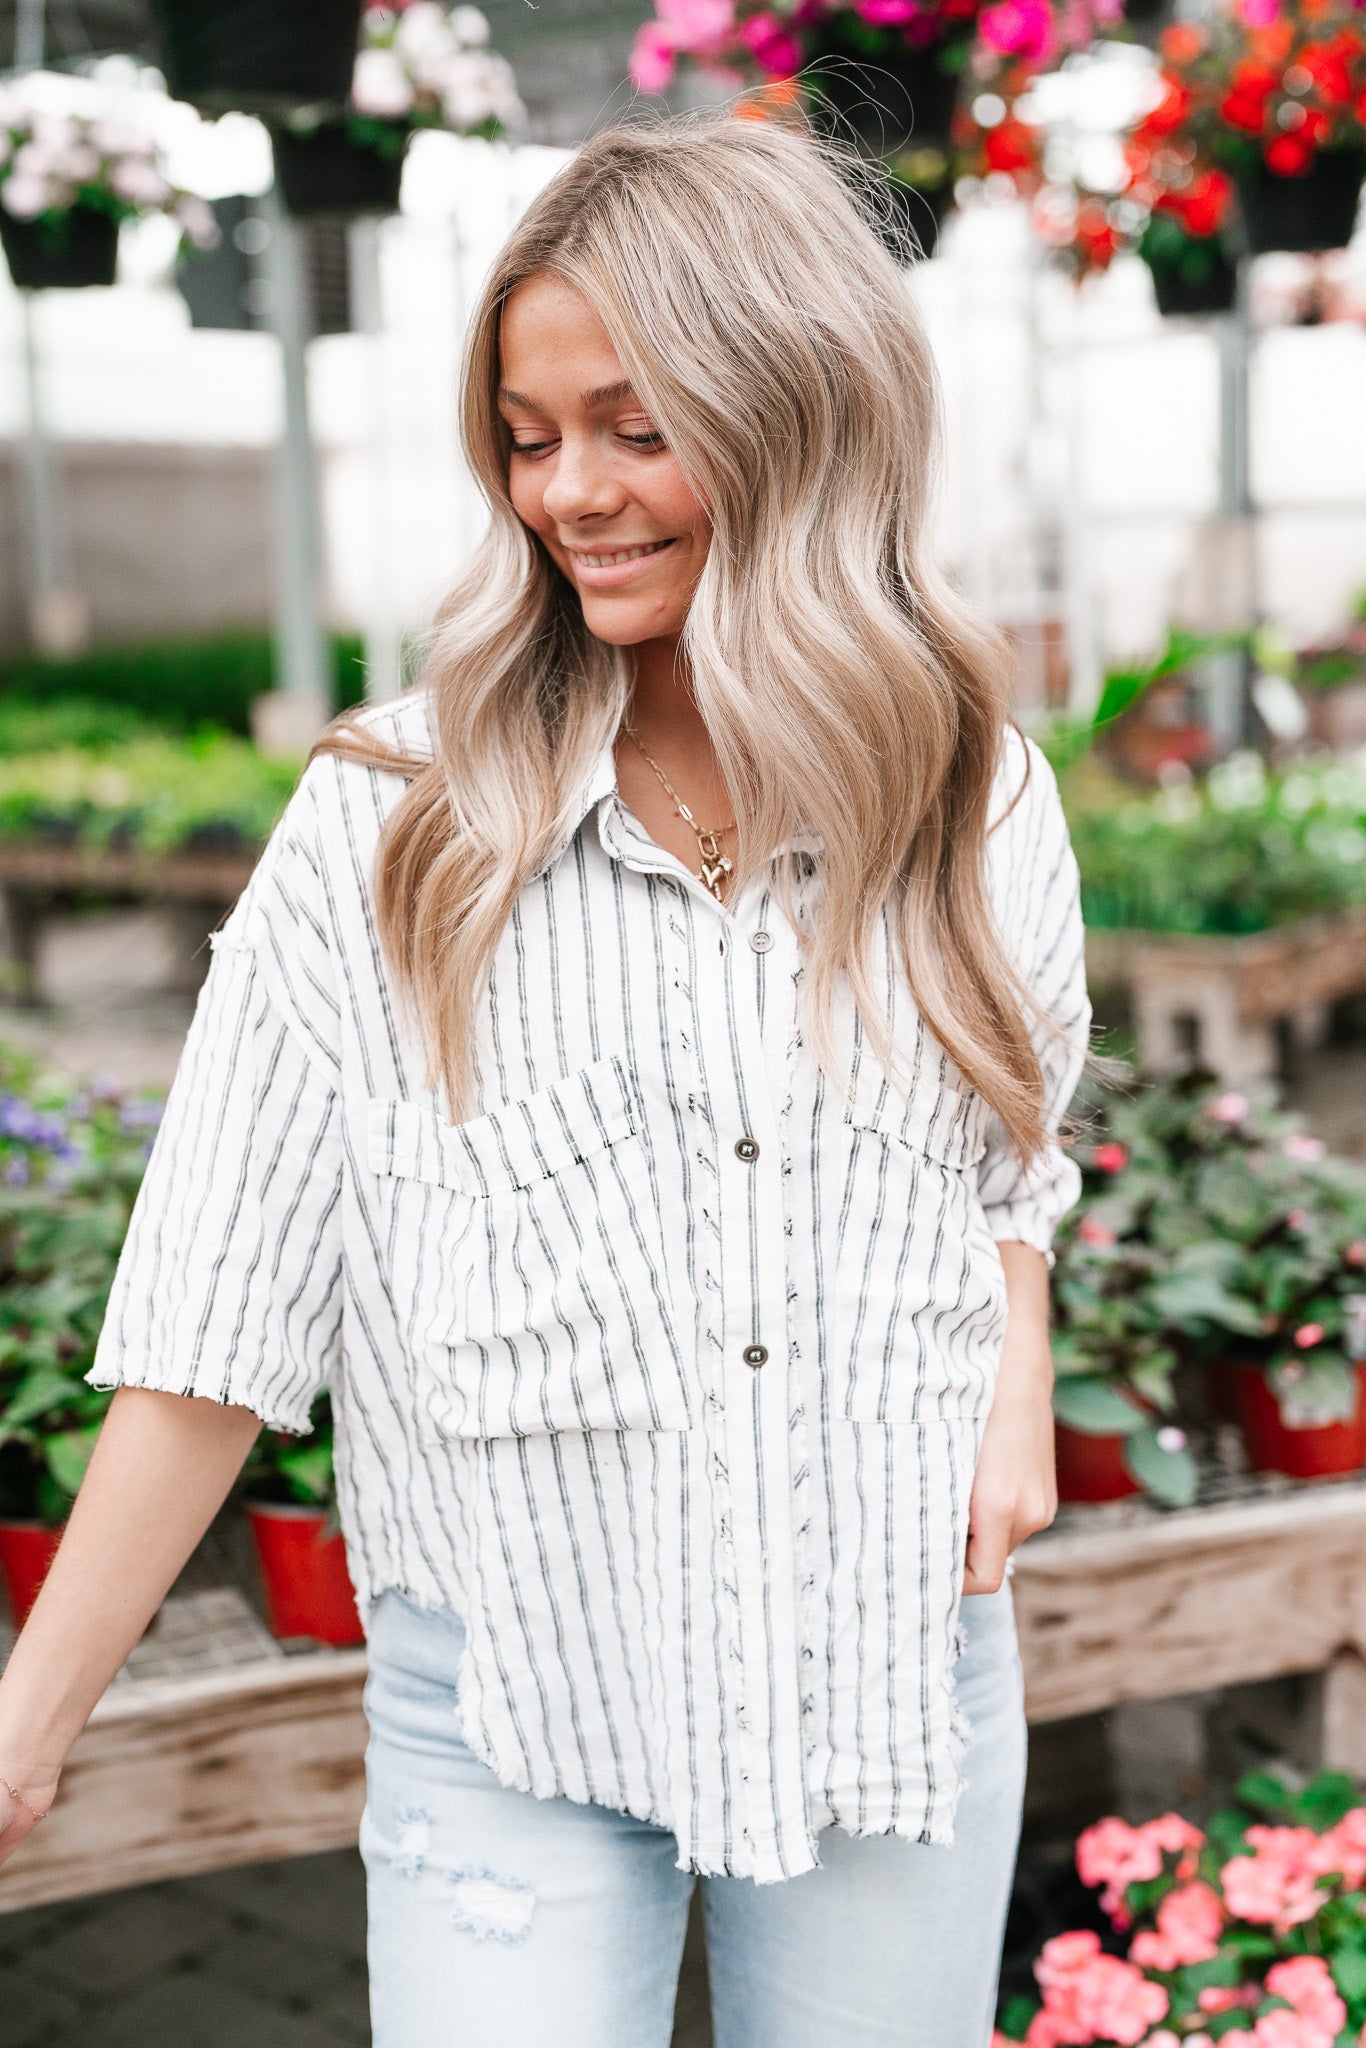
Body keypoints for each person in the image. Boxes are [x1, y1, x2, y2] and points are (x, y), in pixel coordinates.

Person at [0, 114, 1089, 2047]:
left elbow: (1001, 1146)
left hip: (888, 1672)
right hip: (509, 1707)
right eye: (526, 435)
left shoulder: (973, 794)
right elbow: (214, 1317)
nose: (568, 491)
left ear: (794, 409)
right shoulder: (391, 827)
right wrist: (31, 1717)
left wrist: (1016, 1353)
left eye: (633, 427)